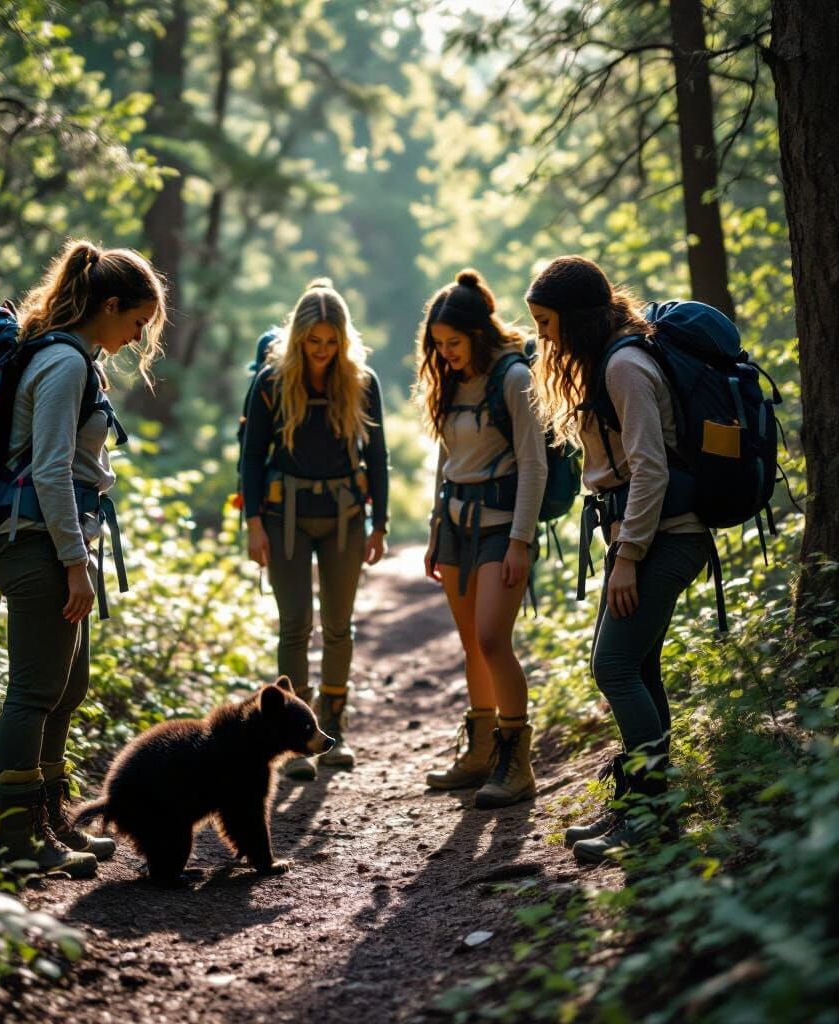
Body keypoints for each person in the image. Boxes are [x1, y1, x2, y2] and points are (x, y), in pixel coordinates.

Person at [0, 239, 166, 877]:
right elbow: (51, 468)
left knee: (67, 688)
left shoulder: (73, 358)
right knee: (35, 692)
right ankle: (17, 837)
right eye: (137, 321)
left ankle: (51, 818)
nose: (137, 336)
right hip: (37, 546)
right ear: (109, 304)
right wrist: (73, 560)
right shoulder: (63, 364)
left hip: (54, 542)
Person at [526, 255, 711, 864]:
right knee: (641, 668)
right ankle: (650, 805)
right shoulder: (610, 359)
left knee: (614, 669)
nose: (543, 337)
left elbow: (651, 467)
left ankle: (647, 814)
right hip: (640, 535)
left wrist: (628, 556)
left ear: (577, 319)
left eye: (548, 323)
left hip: (664, 538)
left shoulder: (625, 367)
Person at [242, 278, 389, 780]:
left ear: (344, 339)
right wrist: (253, 523)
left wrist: (381, 524)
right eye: (313, 342)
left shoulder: (362, 381)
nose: (323, 352)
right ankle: (294, 738)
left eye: (331, 342)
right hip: (285, 519)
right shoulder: (270, 382)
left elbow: (379, 457)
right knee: (294, 625)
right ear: (298, 337)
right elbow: (252, 459)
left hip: (347, 516)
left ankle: (333, 729)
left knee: (338, 626)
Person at [418, 269, 548, 808]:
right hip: (453, 529)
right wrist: (432, 529)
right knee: (471, 644)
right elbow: (446, 461)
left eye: (453, 342)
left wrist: (520, 541)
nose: (444, 353)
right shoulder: (449, 381)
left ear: (478, 332)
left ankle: (516, 762)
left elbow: (534, 465)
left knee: (494, 640)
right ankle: (477, 754)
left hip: (501, 531)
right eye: (438, 344)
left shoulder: (514, 377)